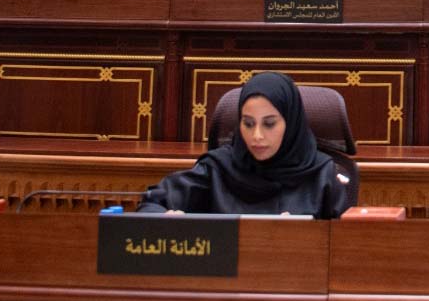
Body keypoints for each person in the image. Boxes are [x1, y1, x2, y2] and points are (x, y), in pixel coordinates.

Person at [138, 72, 350, 217]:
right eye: (248, 124)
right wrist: (164, 219)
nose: (256, 135)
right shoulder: (217, 169)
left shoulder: (323, 177)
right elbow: (150, 204)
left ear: (291, 122)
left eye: (269, 124)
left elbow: (345, 246)